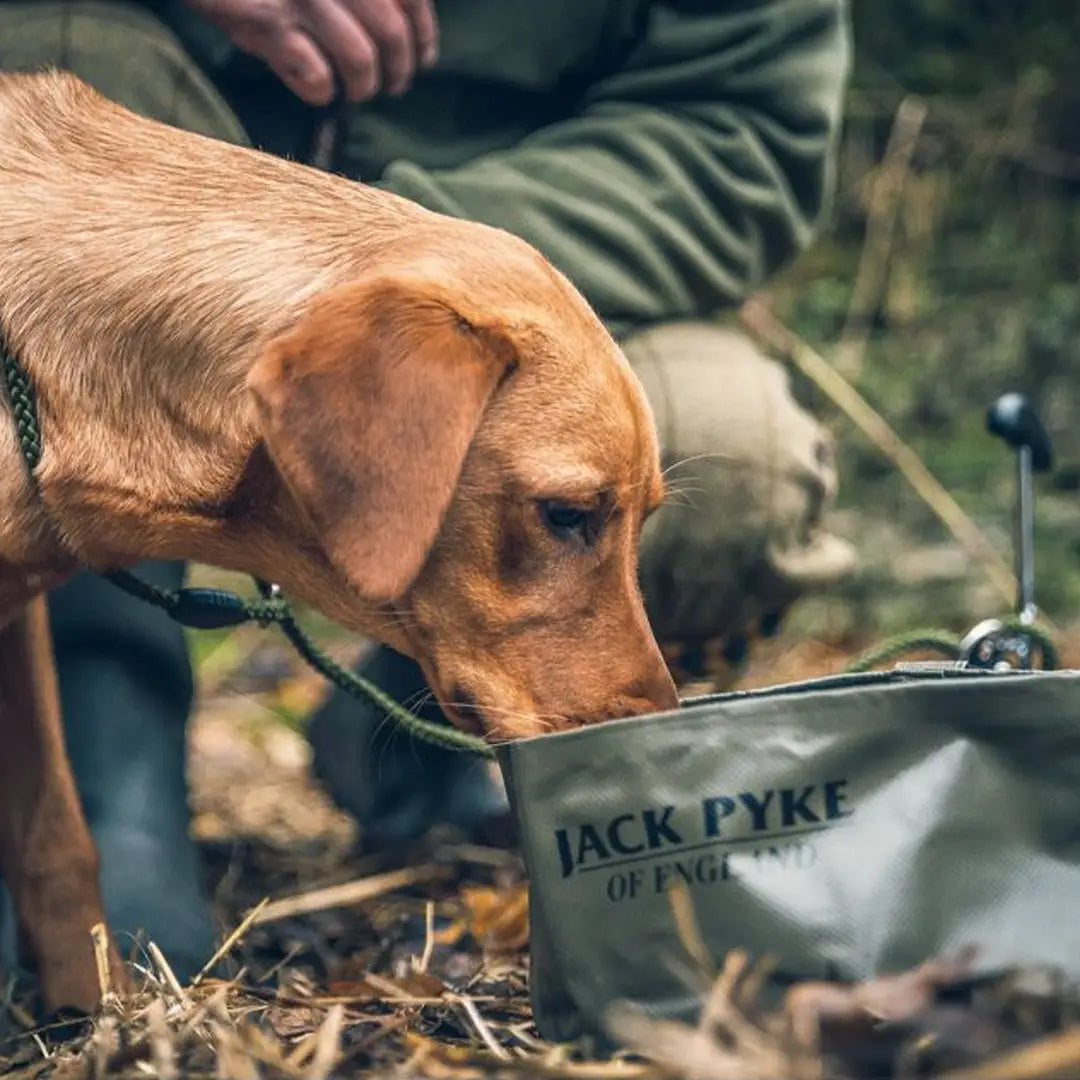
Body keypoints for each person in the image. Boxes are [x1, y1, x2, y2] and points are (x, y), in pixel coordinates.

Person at [0, 0, 855, 981]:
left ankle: (411, 743)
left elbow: (743, 135)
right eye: (568, 526)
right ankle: (116, 752)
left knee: (734, 447)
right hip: (131, 198)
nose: (640, 703)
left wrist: (407, 253)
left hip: (507, 260)